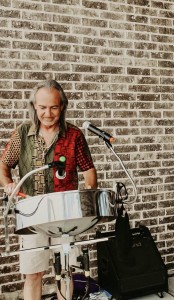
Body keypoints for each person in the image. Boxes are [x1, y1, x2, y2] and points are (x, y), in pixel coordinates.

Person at [0, 79, 97, 300]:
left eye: (53, 107)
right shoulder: (22, 133)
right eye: (42, 107)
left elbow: (89, 170)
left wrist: (90, 197)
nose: (47, 113)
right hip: (32, 216)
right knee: (33, 274)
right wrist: (8, 183)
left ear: (62, 106)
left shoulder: (74, 135)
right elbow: (3, 164)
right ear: (34, 106)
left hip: (65, 217)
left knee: (65, 272)